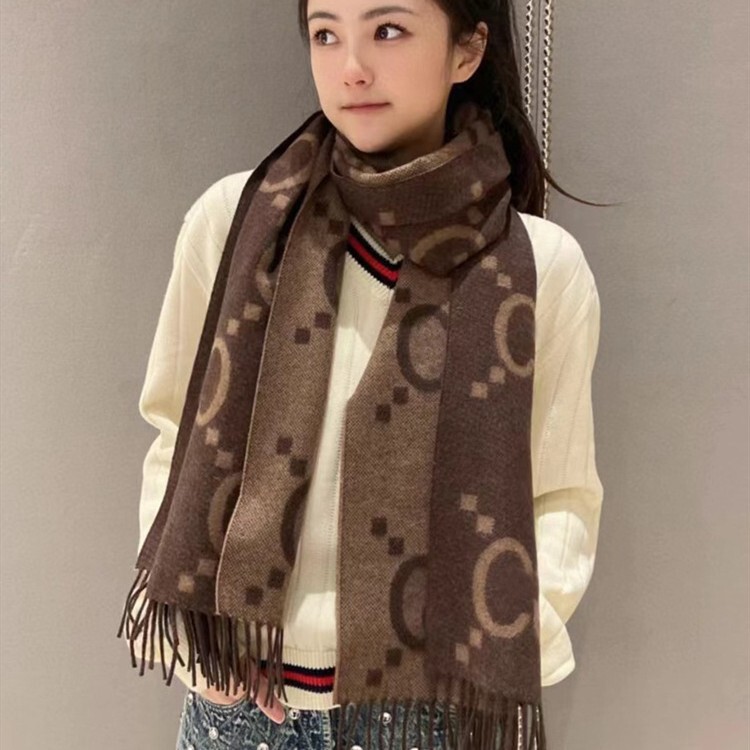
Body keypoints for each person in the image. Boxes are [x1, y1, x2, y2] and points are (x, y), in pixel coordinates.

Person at [129, 1, 605, 748]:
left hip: (430, 718)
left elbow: (562, 498)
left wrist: (486, 657)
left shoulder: (539, 268)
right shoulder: (234, 223)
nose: (350, 68)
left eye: (387, 30)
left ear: (467, 50)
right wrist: (200, 657)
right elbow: (173, 434)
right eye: (326, 33)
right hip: (242, 712)